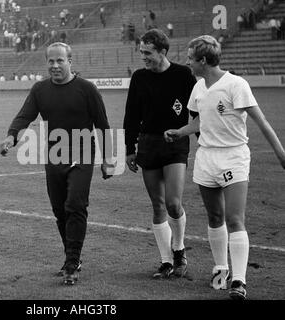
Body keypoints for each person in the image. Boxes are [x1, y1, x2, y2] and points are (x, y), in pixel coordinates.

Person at [164, 35, 285, 300]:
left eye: (191, 58)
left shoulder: (235, 84)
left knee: (234, 218)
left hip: (233, 157)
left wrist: (280, 153)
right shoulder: (198, 88)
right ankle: (221, 269)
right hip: (207, 158)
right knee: (215, 218)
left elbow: (261, 120)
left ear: (203, 61)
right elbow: (200, 123)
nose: (188, 62)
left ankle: (239, 281)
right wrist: (180, 131)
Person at [0, 42, 113, 285]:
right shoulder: (40, 89)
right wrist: (11, 136)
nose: (55, 65)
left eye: (60, 60)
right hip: (54, 154)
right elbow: (25, 116)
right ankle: (72, 257)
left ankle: (72, 261)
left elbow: (102, 125)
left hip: (82, 151)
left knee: (75, 203)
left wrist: (108, 159)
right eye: (50, 61)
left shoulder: (87, 89)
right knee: (60, 210)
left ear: (70, 61)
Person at [123, 29, 197, 279]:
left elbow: (197, 112)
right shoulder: (139, 78)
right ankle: (166, 261)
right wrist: (129, 149)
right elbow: (131, 116)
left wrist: (202, 139)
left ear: (163, 51)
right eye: (141, 52)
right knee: (157, 206)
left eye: (148, 53)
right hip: (148, 144)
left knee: (173, 203)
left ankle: (179, 249)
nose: (143, 57)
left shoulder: (183, 74)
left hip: (176, 143)